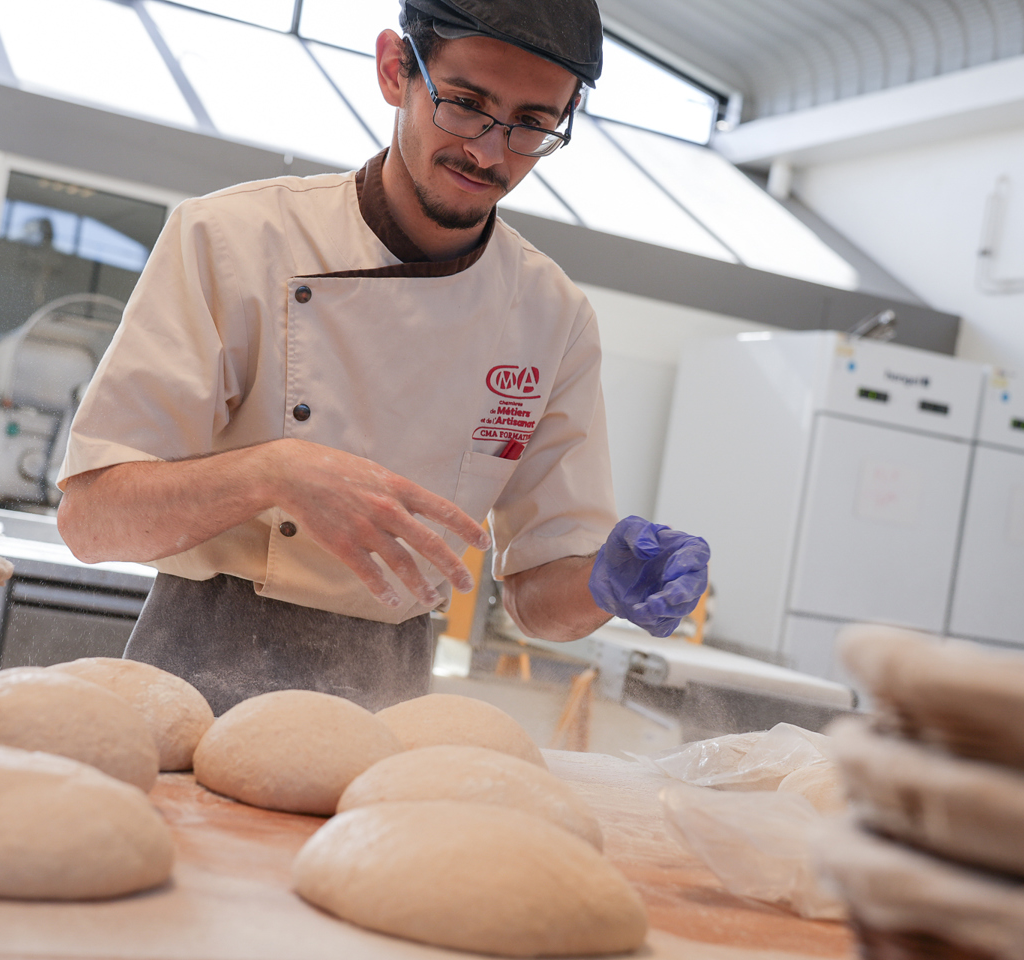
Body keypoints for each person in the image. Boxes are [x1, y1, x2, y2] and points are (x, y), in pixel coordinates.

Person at [55, 0, 710, 715]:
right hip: (192, 672)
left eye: (531, 123)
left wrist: (603, 584)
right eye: (466, 105)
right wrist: (276, 472)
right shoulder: (232, 239)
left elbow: (535, 598)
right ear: (396, 70)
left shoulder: (552, 316)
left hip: (391, 699)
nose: (490, 154)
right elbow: (91, 520)